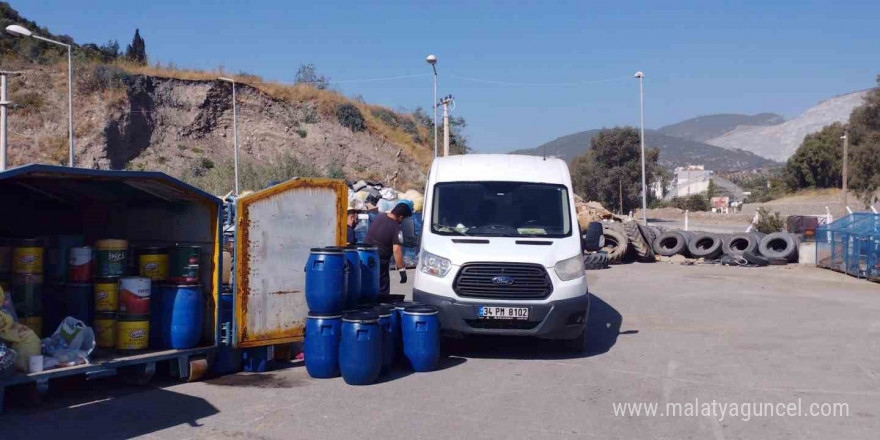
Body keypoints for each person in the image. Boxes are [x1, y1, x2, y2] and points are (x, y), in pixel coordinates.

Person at [364, 203, 413, 295]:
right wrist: (402, 270)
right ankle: (381, 308)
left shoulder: (379, 217)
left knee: (368, 286)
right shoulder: (396, 227)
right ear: (401, 217)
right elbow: (396, 250)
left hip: (366, 256)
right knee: (382, 291)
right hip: (381, 261)